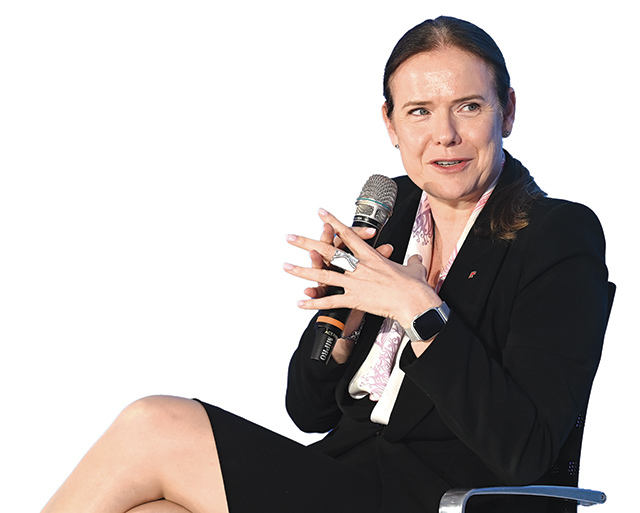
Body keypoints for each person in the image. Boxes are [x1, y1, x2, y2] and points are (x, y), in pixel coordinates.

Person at [40, 16, 612, 513]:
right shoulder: (393, 215)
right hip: (346, 476)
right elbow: (307, 412)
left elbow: (526, 448)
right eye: (419, 111)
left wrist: (419, 310)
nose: (444, 135)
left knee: (154, 425)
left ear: (506, 112)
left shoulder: (558, 234)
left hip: (437, 498)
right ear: (390, 124)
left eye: (469, 106)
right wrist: (341, 328)